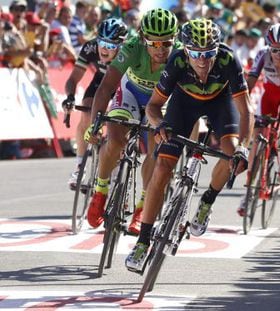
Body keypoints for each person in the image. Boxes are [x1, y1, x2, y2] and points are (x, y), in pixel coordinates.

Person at [124, 18, 253, 273]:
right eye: (195, 53)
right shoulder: (177, 61)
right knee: (162, 168)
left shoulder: (228, 60)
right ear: (185, 50)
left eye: (208, 54)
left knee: (232, 158)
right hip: (184, 104)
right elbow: (152, 106)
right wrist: (159, 124)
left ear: (217, 50)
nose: (202, 60)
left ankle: (207, 201)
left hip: (220, 103)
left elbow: (246, 110)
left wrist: (243, 146)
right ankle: (143, 241)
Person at [84, 8, 179, 235]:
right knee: (116, 140)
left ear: (174, 40)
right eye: (153, 43)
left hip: (160, 103)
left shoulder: (180, 56)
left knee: (156, 153)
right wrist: (95, 123)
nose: (160, 49)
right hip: (130, 93)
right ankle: (100, 191)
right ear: (143, 38)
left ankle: (142, 208)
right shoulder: (133, 47)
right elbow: (107, 86)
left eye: (166, 43)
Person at [236, 23, 280, 216]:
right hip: (270, 94)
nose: (277, 54)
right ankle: (248, 192)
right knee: (256, 139)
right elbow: (249, 84)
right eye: (274, 49)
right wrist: (243, 106)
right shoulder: (263, 54)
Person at [64, 18, 127, 190]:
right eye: (102, 42)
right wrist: (69, 96)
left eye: (111, 45)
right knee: (86, 111)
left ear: (121, 45)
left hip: (122, 85)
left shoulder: (128, 53)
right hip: (101, 82)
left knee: (120, 125)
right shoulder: (90, 47)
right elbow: (73, 78)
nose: (105, 49)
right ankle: (80, 168)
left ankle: (116, 173)